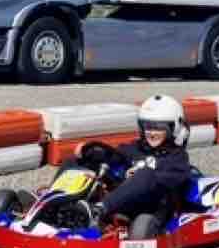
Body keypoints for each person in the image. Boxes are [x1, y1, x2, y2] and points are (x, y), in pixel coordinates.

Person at [79, 95, 194, 230]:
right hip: (121, 202)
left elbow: (163, 180)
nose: (152, 133)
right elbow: (113, 156)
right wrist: (91, 152)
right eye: (148, 127)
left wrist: (141, 176)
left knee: (146, 175)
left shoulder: (176, 158)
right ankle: (57, 202)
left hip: (153, 209)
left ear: (173, 128)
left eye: (159, 128)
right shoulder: (135, 148)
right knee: (77, 162)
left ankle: (98, 210)